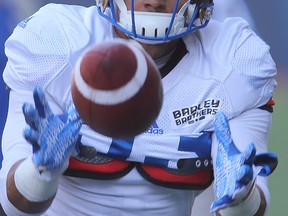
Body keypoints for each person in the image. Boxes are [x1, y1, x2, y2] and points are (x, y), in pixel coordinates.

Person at [0, 0, 278, 215]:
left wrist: (241, 195)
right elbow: (14, 205)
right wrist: (40, 170)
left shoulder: (233, 62)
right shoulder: (56, 45)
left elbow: (248, 209)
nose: (154, 1)